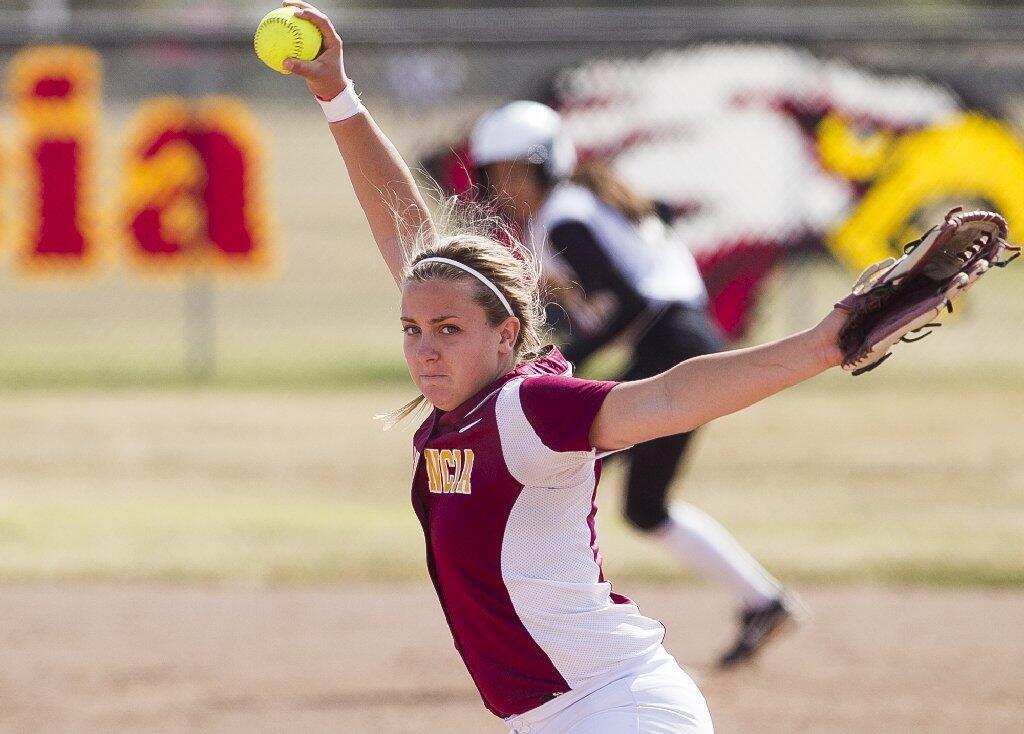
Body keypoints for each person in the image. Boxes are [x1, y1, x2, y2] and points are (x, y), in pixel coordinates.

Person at [280, 3, 848, 731]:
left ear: (505, 332)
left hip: (620, 712)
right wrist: (338, 97)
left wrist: (819, 346)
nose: (425, 346)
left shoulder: (529, 406)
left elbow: (669, 396)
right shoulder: (468, 400)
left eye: (449, 329)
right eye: (413, 328)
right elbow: (406, 230)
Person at [469, 101, 802, 667]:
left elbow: (629, 301)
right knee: (641, 504)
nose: (509, 187)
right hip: (681, 341)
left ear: (547, 168)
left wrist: (562, 360)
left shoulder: (566, 216)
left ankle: (555, 629)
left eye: (518, 173)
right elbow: (628, 286)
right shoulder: (585, 202)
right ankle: (763, 600)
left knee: (553, 470)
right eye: (497, 176)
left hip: (670, 345)